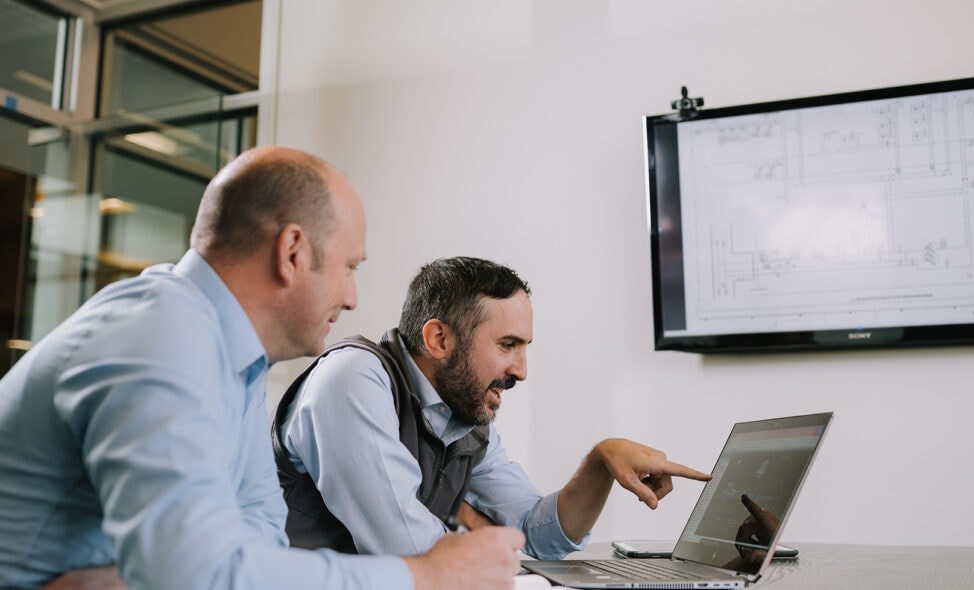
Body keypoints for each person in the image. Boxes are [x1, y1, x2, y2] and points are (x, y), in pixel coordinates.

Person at [0, 147, 524, 590]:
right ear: (292, 252)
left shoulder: (235, 359)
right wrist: (421, 575)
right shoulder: (163, 334)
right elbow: (196, 575)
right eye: (349, 267)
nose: (352, 296)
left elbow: (257, 536)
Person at [273, 256, 713, 558]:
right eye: (507, 346)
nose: (521, 371)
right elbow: (408, 550)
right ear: (439, 340)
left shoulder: (460, 421)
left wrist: (600, 462)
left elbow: (536, 535)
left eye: (525, 348)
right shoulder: (353, 379)